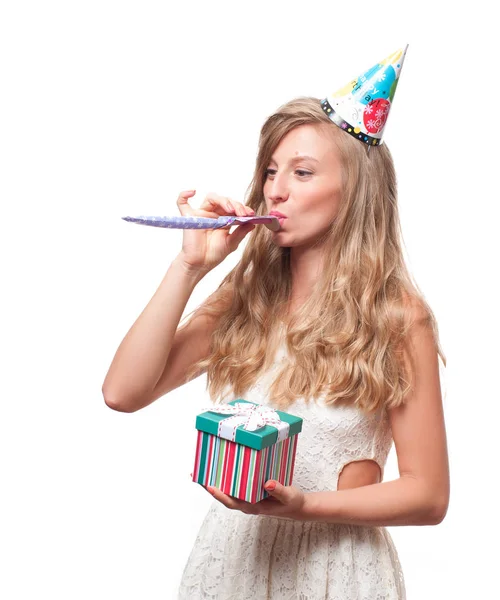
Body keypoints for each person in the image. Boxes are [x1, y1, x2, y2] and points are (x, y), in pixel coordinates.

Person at [103, 48, 449, 600]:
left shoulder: (398, 316)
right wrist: (189, 266)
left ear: (354, 190)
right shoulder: (246, 297)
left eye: (302, 172)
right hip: (230, 562)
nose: (274, 190)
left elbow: (428, 494)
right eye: (270, 171)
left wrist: (305, 506)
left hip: (336, 572)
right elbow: (122, 392)